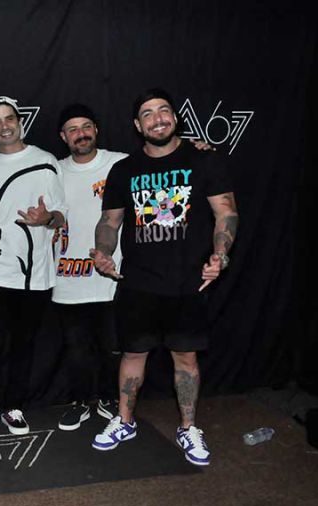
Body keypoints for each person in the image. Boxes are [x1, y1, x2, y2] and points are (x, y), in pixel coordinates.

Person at [90, 88, 238, 466]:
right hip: (138, 282)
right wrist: (103, 252)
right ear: (138, 125)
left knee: (185, 357)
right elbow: (109, 222)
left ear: (174, 116)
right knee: (132, 353)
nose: (157, 119)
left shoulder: (204, 160)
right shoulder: (124, 170)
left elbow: (226, 212)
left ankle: (188, 427)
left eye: (163, 110)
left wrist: (220, 254)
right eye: (148, 113)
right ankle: (125, 421)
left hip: (188, 282)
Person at [0, 96, 66, 436]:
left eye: (9, 118)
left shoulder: (46, 161)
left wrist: (46, 218)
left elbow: (61, 217)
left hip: (35, 273)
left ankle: (14, 407)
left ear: (20, 122)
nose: (4, 126)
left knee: (24, 344)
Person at [53, 104, 126, 431]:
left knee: (112, 346)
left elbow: (163, 160)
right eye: (72, 129)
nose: (80, 134)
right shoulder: (53, 170)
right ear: (63, 136)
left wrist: (195, 147)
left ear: (96, 129)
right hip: (67, 278)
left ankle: (110, 399)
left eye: (85, 127)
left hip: (112, 275)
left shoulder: (120, 163)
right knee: (76, 349)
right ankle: (80, 402)